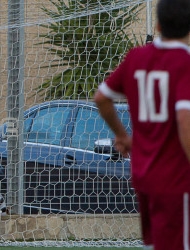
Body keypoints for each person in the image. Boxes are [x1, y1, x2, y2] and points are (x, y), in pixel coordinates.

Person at [94, 0, 190, 249]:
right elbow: (184, 118)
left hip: (144, 174)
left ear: (157, 25)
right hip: (177, 179)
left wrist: (122, 135)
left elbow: (102, 97)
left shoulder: (136, 57)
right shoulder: (184, 62)